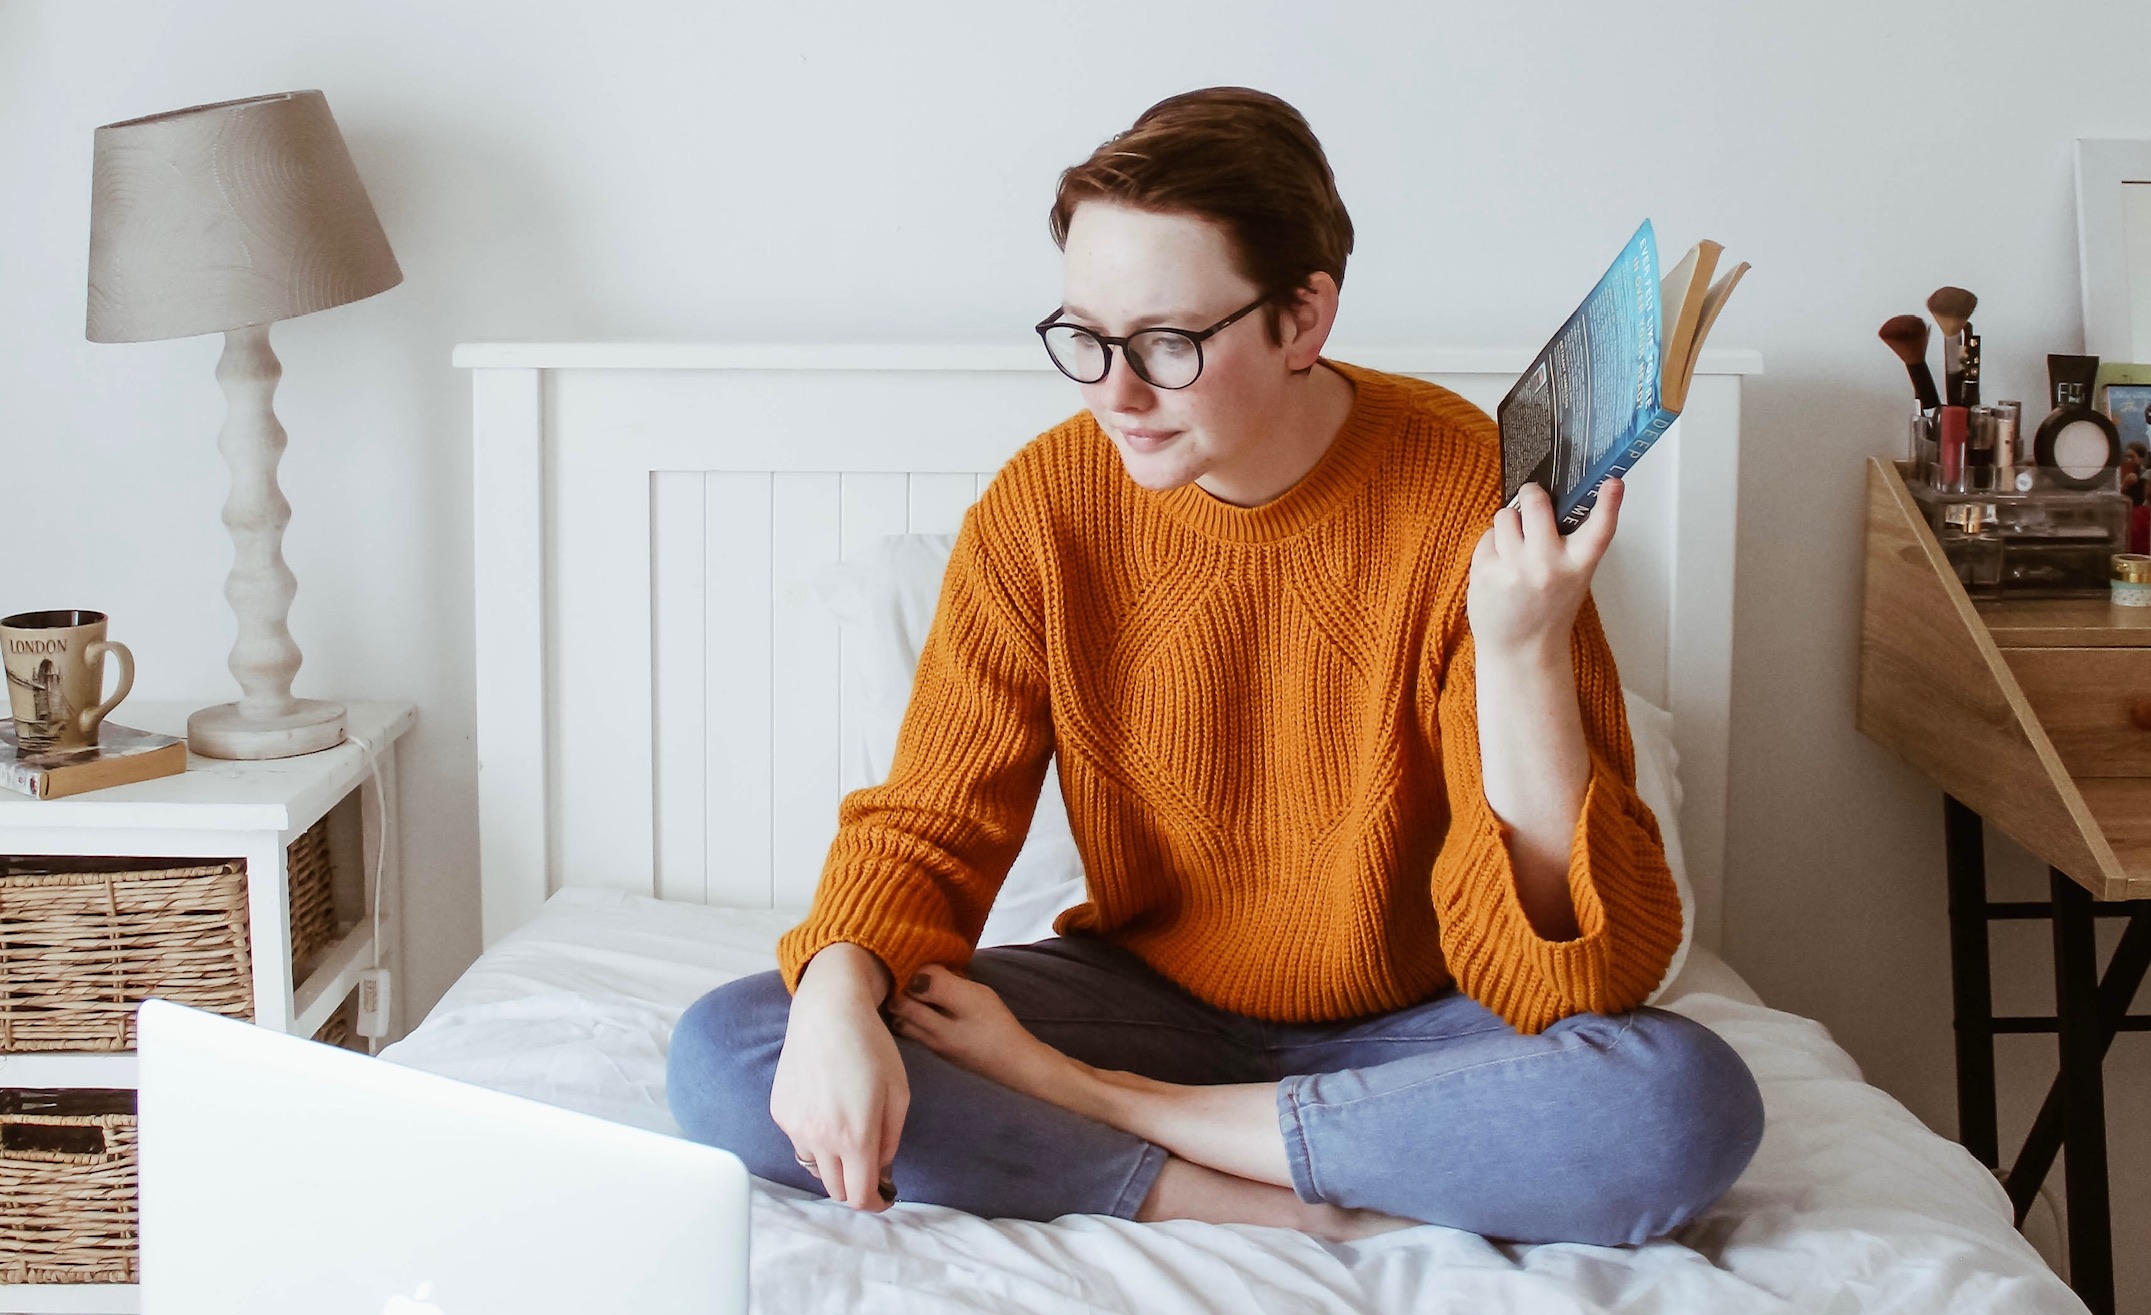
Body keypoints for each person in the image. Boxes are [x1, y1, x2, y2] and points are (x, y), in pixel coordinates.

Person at [668, 87, 1763, 1245]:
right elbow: (933, 821)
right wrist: (841, 986)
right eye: (1084, 337)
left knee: (1677, 1100)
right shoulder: (1045, 507)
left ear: (1303, 319)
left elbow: (1570, 985)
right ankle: (1262, 1195)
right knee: (732, 1050)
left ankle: (1124, 1118)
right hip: (1147, 996)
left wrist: (1523, 647)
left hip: (1424, 1024)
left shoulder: (1464, 496)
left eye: (1168, 344)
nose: (1115, 393)